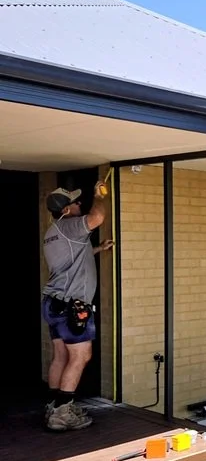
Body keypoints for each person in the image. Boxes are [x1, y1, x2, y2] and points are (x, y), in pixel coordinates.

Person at [41, 181, 113, 431]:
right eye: (74, 202)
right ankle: (62, 414)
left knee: (61, 355)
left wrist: (97, 249)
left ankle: (53, 405)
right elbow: (98, 216)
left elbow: (71, 260)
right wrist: (99, 196)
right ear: (65, 209)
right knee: (81, 356)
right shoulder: (72, 226)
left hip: (53, 303)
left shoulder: (54, 231)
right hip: (72, 305)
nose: (78, 203)